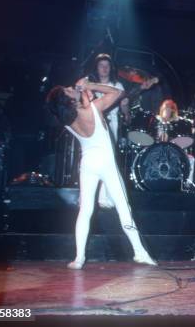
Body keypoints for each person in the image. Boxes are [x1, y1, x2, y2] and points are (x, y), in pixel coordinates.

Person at [46, 77, 158, 269]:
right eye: (68, 89)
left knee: (85, 210)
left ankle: (79, 258)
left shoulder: (67, 121)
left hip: (88, 164)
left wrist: (83, 93)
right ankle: (140, 252)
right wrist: (90, 86)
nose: (70, 87)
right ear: (69, 100)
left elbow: (81, 104)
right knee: (124, 209)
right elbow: (117, 93)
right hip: (105, 164)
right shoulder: (93, 109)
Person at [88, 53, 129, 144]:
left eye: (107, 65)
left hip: (111, 127)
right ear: (96, 68)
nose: (104, 68)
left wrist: (125, 105)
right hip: (92, 126)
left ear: (111, 68)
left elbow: (126, 115)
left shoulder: (118, 86)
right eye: (101, 65)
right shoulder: (90, 86)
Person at [155, 99, 195, 185]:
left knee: (191, 159)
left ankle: (187, 184)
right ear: (161, 108)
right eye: (166, 107)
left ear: (174, 110)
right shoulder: (155, 120)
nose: (168, 109)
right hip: (156, 151)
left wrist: (192, 125)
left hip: (173, 152)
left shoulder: (178, 123)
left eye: (171, 107)